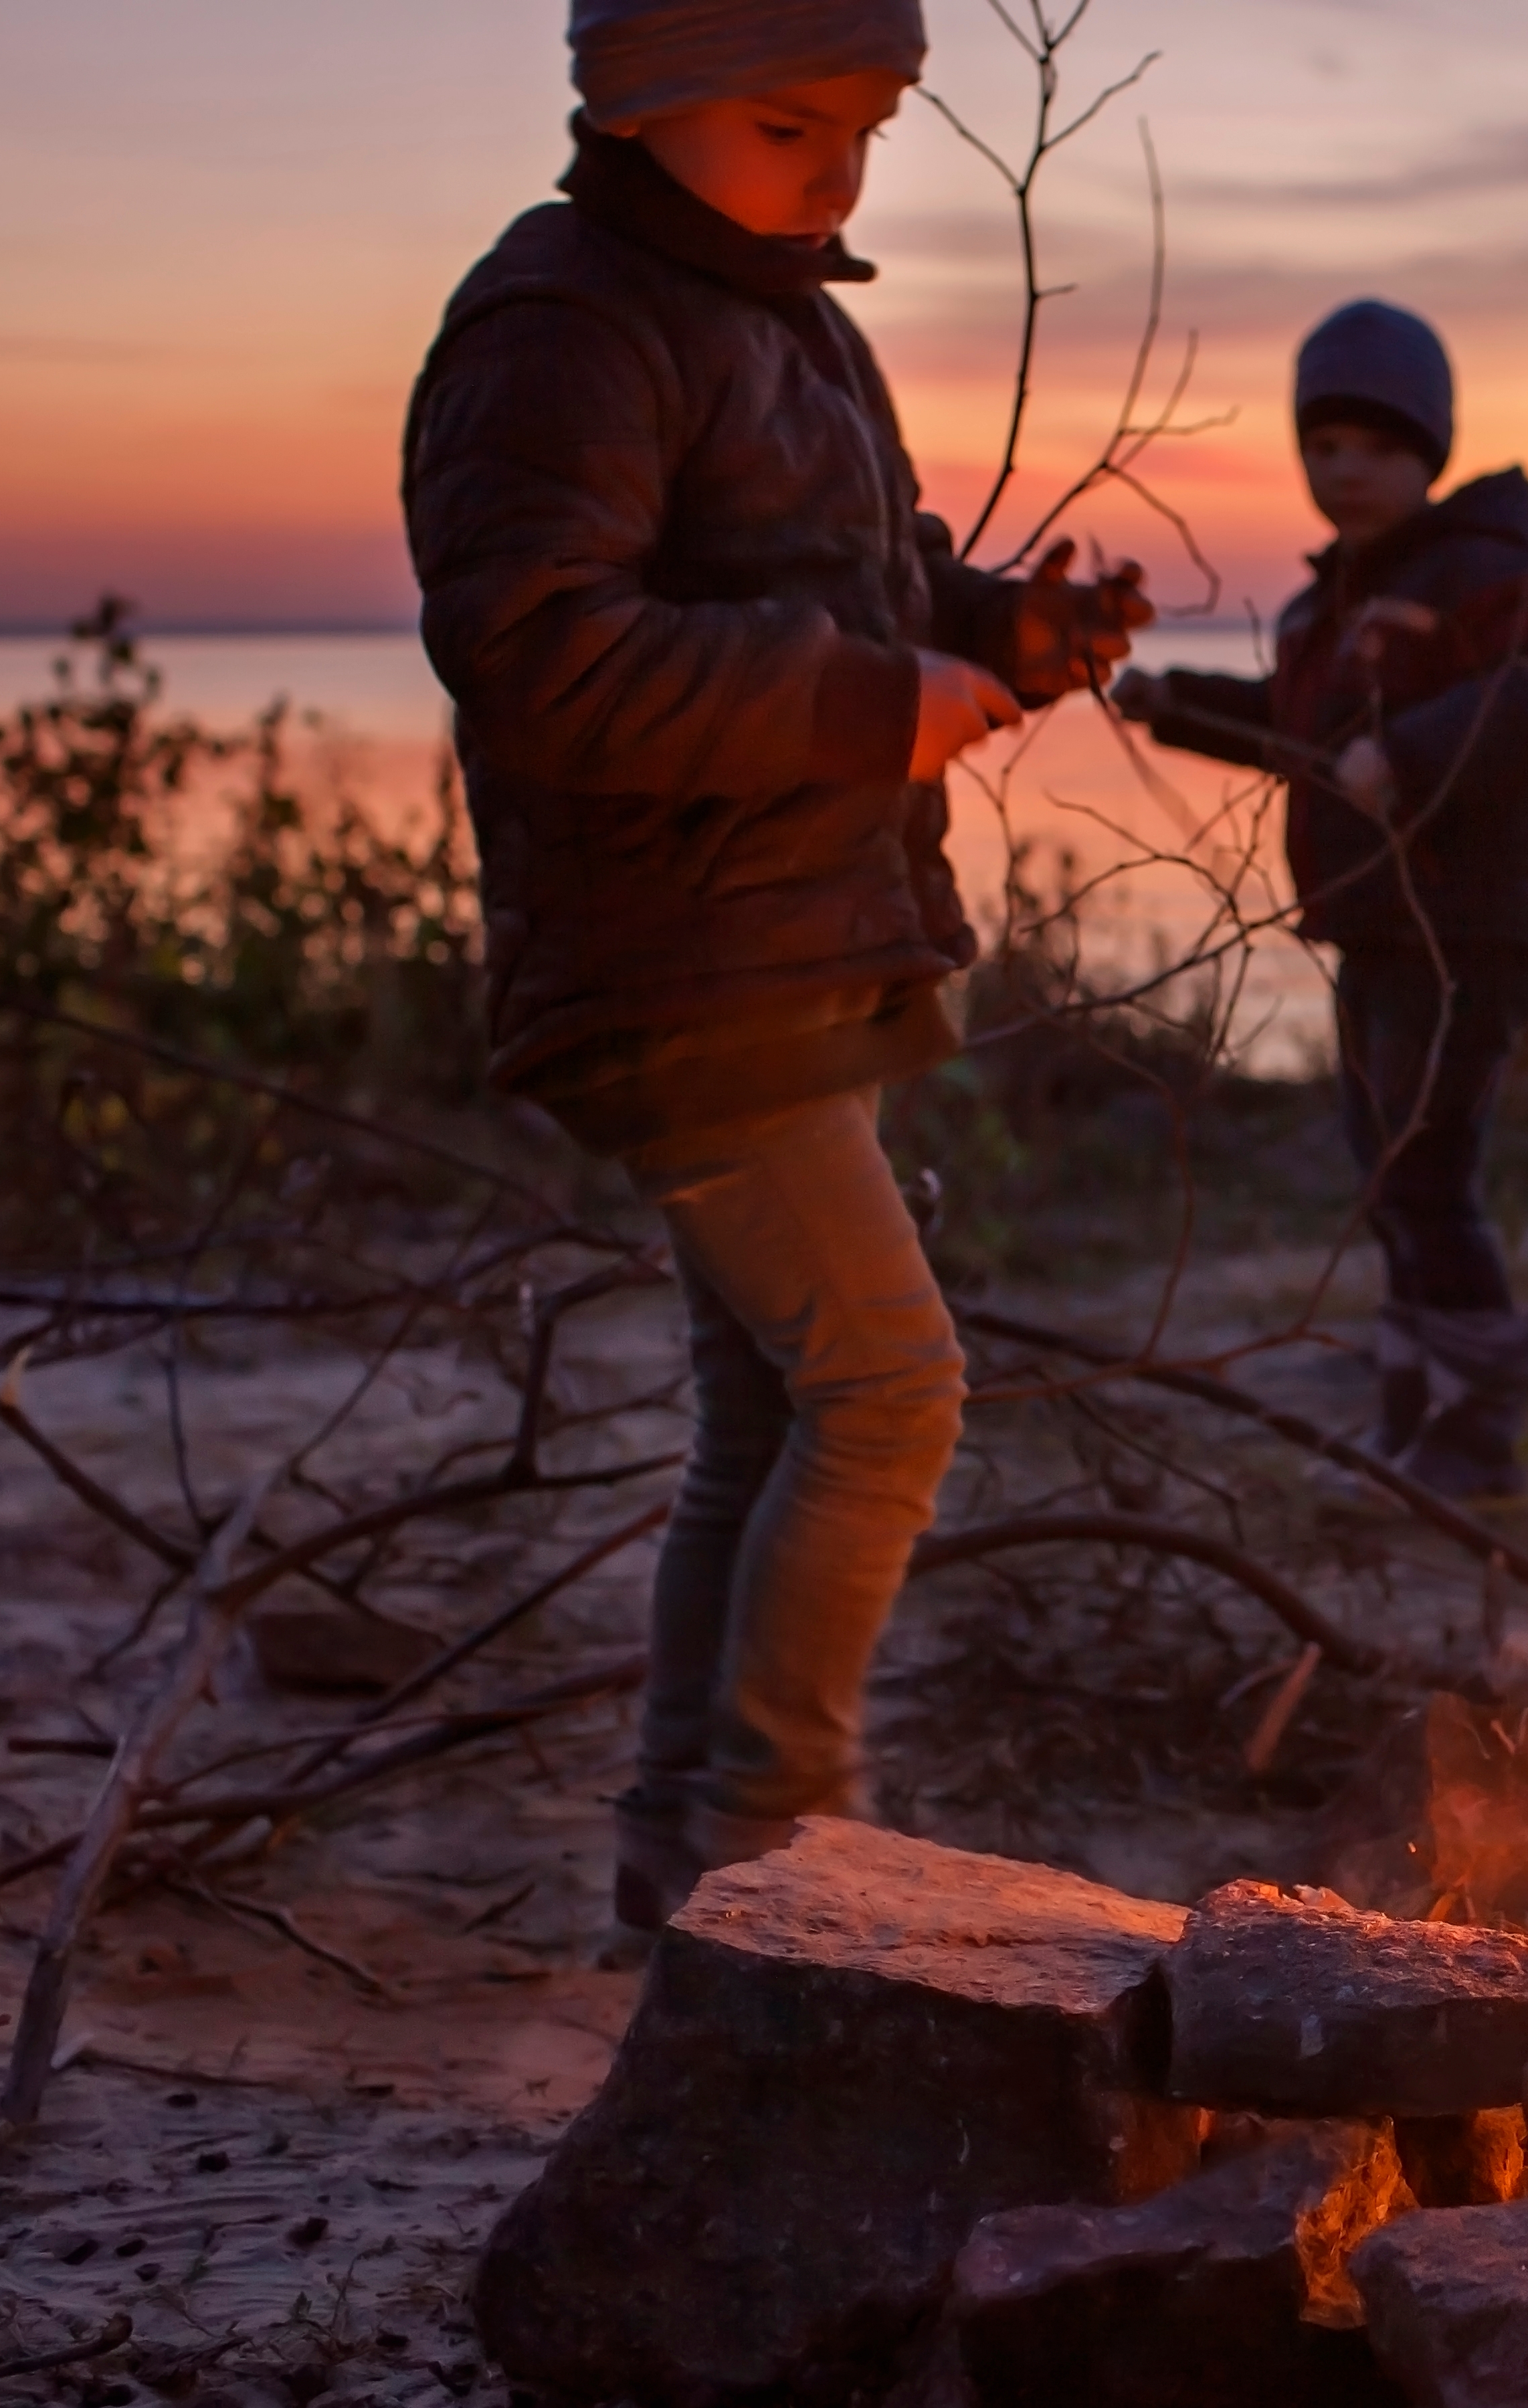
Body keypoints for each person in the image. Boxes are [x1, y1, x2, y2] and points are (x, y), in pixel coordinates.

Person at [401, 0, 1151, 1930]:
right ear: (637, 101)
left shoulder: (778, 318)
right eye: (785, 122)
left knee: (768, 1415)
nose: (834, 170)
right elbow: (544, 652)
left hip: (794, 941)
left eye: (866, 129)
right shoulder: (559, 325)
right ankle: (783, 1865)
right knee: (890, 1392)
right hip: (680, 971)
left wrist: (1007, 628)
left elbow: (858, 567)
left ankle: (695, 1866)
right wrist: (860, 705)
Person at [1112, 302, 1528, 1499]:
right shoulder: (1318, 612)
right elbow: (1301, 739)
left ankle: (1475, 1435)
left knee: (1431, 1171)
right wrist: (1164, 696)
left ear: (1427, 452)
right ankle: (1410, 1414)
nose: (1345, 470)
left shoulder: (1485, 572)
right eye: (1323, 445)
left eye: (1375, 447)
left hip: (1468, 930)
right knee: (1382, 1169)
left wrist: (1419, 752)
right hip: (1371, 927)